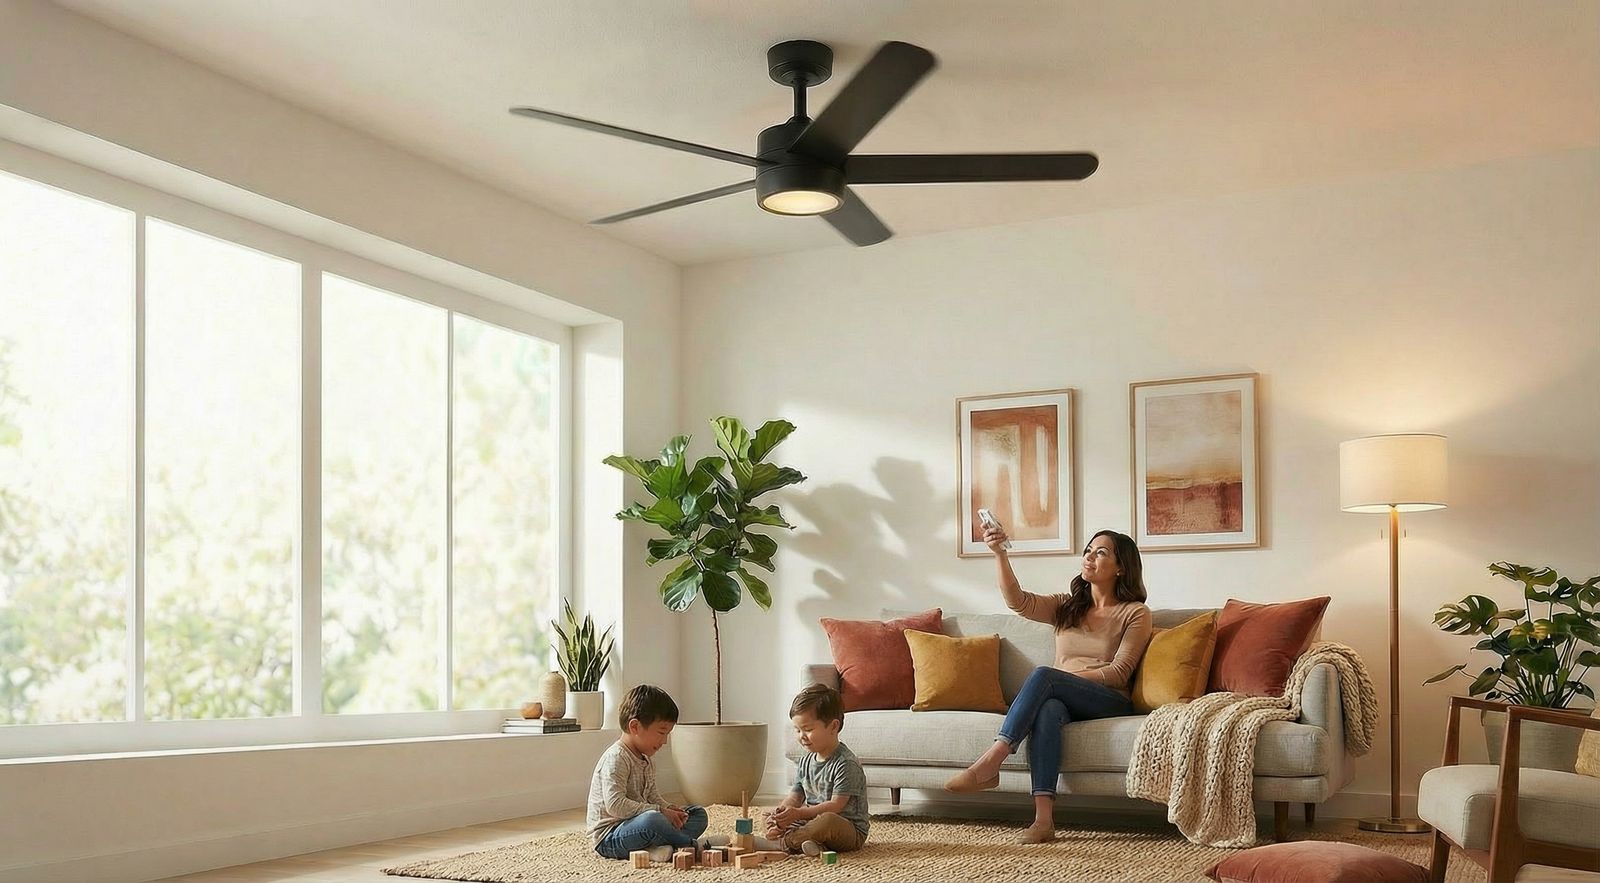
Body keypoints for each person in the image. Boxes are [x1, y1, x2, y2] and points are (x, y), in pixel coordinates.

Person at [944, 526, 1153, 844]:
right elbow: (1018, 601)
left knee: (1045, 677)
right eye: (1088, 549)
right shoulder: (1067, 606)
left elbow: (1119, 672)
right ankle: (1043, 821)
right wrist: (1000, 554)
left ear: (1121, 567)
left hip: (1108, 699)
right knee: (1048, 709)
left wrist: (1063, 680)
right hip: (1062, 696)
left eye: (1101, 552)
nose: (1089, 556)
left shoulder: (1135, 613)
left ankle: (992, 760)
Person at [588, 685, 726, 861]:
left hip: (640, 826)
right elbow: (615, 805)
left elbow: (653, 796)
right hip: (610, 838)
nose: (665, 741)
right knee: (653, 820)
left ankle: (656, 849)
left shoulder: (646, 760)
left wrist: (668, 809)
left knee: (697, 814)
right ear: (635, 726)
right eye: (661, 732)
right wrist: (659, 811)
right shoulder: (616, 758)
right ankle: (693, 845)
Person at [764, 683, 870, 856]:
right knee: (768, 814)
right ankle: (812, 845)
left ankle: (783, 843)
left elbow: (835, 806)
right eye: (797, 730)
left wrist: (797, 814)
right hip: (810, 821)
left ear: (833, 727)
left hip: (846, 829)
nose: (801, 736)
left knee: (827, 821)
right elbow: (796, 796)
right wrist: (780, 814)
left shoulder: (846, 763)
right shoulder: (805, 760)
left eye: (808, 729)